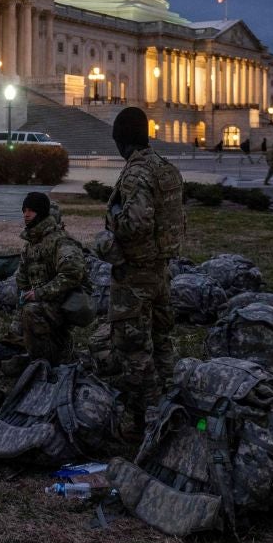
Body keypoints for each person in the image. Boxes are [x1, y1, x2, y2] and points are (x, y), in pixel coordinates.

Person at [92, 106, 184, 428]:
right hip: (161, 270)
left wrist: (111, 222)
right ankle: (174, 402)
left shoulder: (136, 173)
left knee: (133, 348)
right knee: (161, 341)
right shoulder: (166, 168)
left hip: (135, 274)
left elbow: (136, 223)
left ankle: (143, 417)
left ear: (122, 141)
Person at [15, 192, 88, 365]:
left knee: (31, 313)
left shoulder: (60, 241)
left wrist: (39, 293)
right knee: (20, 325)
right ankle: (49, 351)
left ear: (40, 213)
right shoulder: (30, 245)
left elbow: (73, 274)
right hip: (44, 301)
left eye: (31, 211)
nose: (26, 214)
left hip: (66, 303)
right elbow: (22, 279)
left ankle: (47, 363)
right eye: (24, 210)